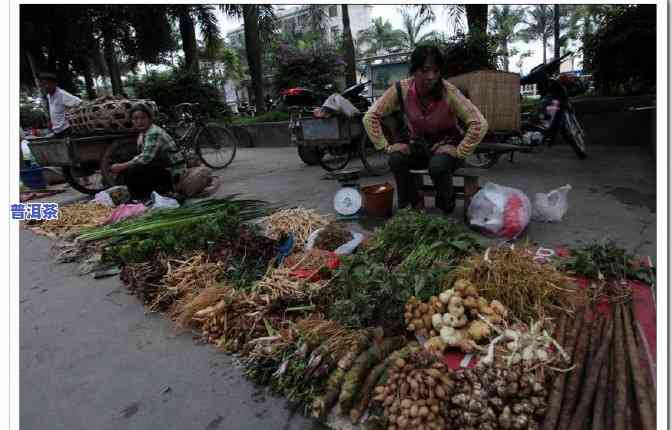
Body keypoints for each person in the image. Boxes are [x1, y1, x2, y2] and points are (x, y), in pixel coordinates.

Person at [363, 45, 488, 214]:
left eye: (436, 71)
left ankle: (446, 203)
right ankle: (412, 205)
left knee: (437, 166)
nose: (431, 77)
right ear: (414, 70)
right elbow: (370, 117)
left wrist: (459, 151)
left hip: (447, 146)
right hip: (419, 145)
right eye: (425, 70)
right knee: (396, 159)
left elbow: (479, 123)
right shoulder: (401, 89)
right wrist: (387, 147)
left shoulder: (449, 92)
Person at [109, 104, 186, 201]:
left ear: (150, 118)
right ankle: (142, 195)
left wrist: (121, 166)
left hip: (172, 172)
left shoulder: (153, 132)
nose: (139, 122)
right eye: (135, 119)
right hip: (161, 168)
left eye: (143, 118)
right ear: (132, 121)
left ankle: (152, 194)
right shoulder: (143, 133)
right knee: (130, 165)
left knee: (134, 169)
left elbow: (145, 158)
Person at [39, 72, 82, 138]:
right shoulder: (49, 96)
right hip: (57, 131)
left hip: (66, 130)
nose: (44, 87)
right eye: (42, 85)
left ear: (54, 84)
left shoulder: (62, 94)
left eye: (46, 84)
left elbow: (79, 102)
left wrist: (71, 114)